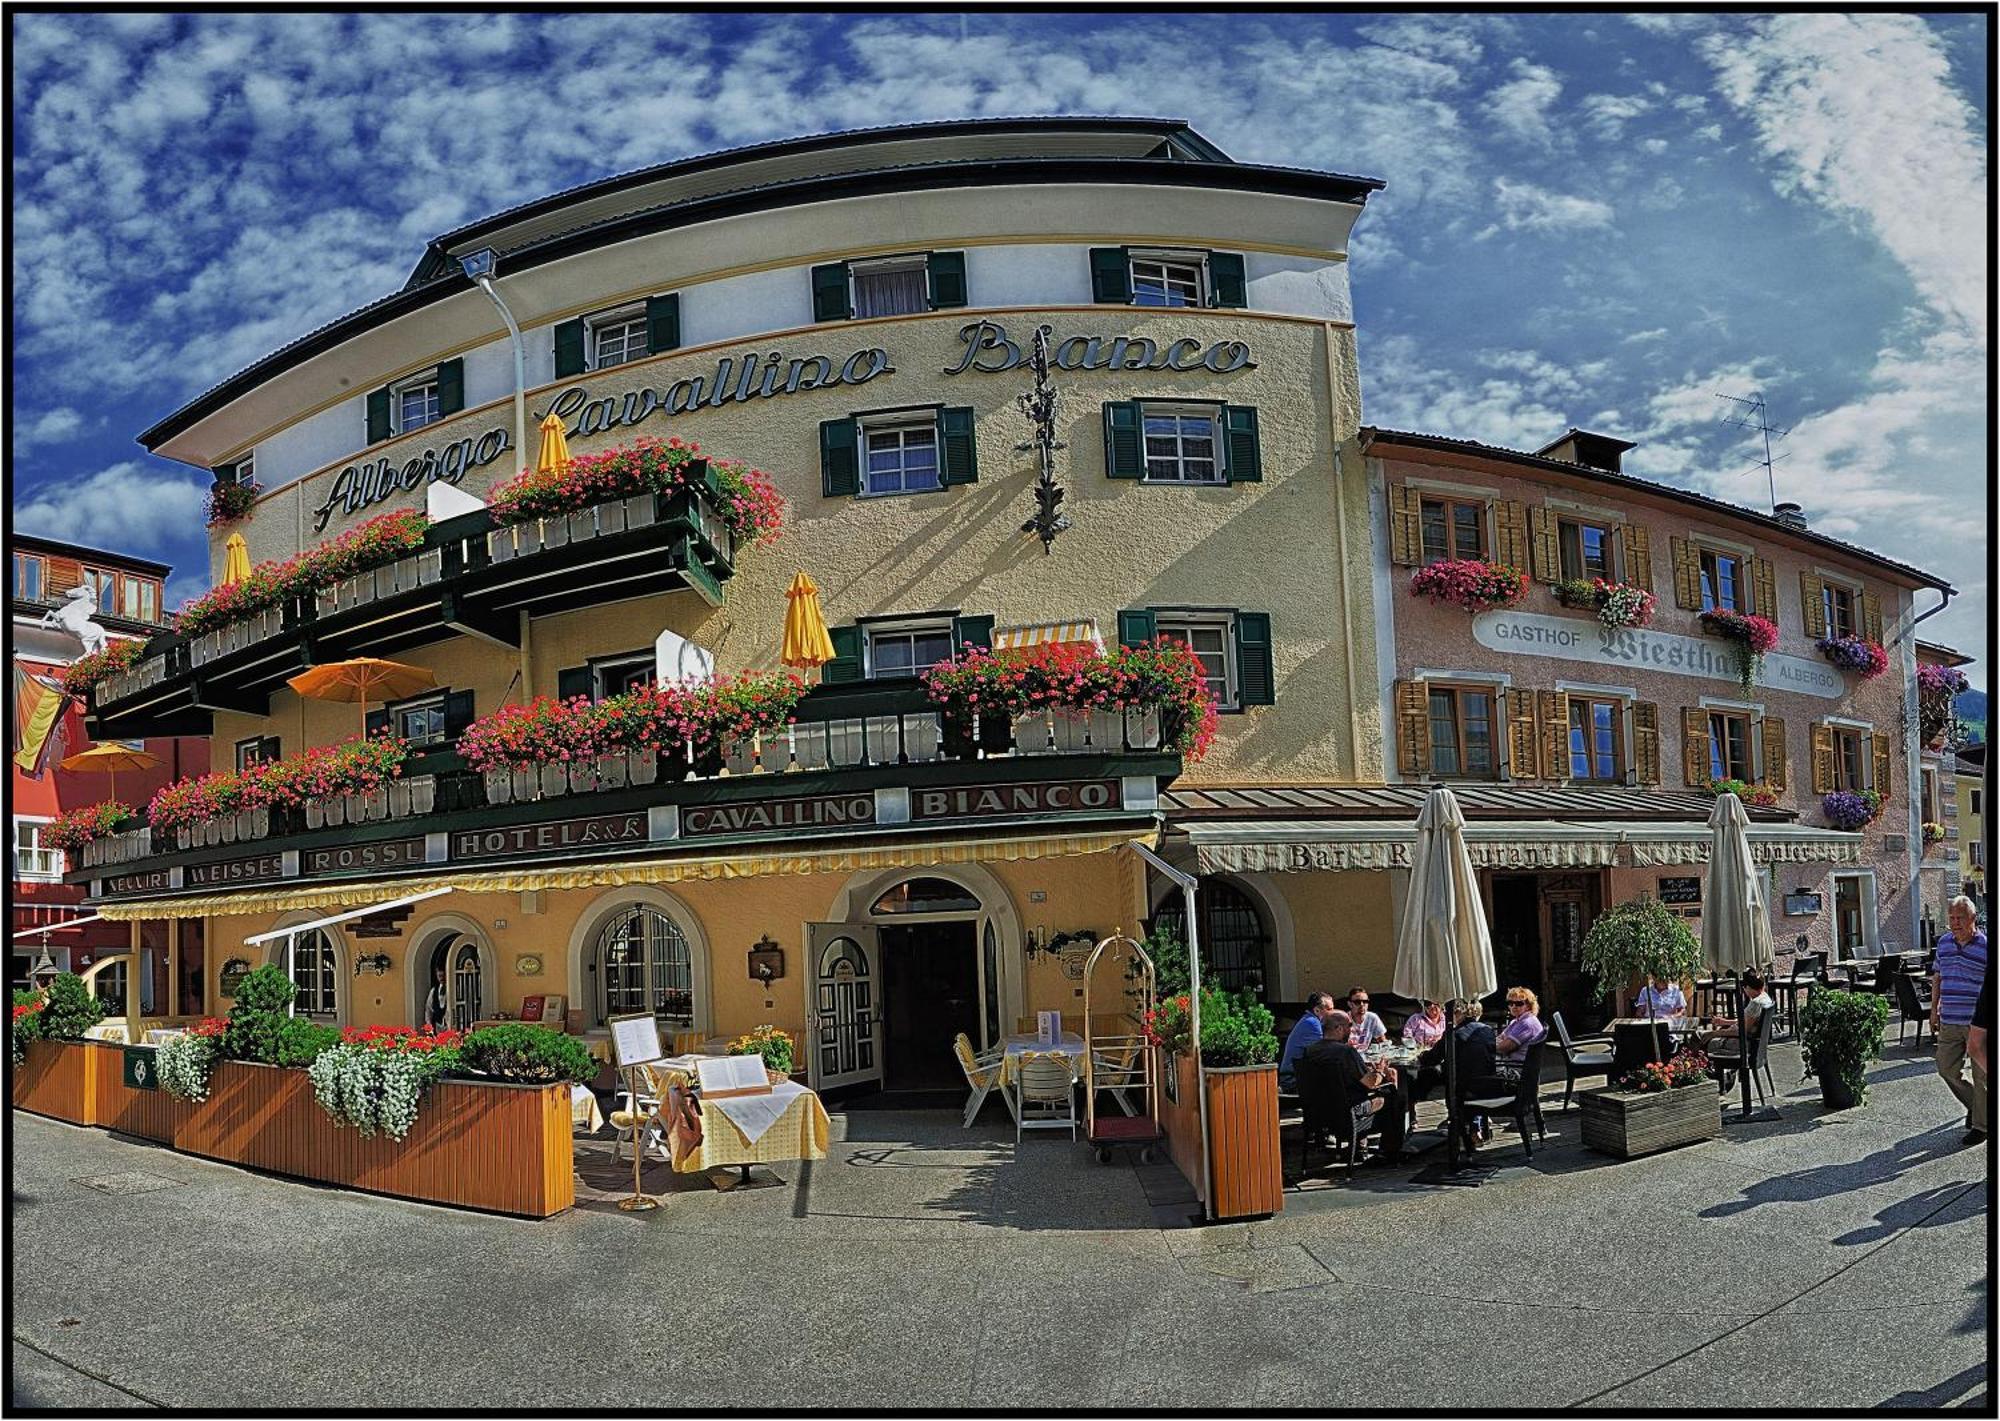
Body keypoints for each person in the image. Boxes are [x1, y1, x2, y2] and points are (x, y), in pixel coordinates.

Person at [1297, 1009, 1405, 1163]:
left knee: (1366, 1094)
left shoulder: (1310, 1051)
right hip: (1348, 1114)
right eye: (1349, 1025)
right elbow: (1371, 1083)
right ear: (1339, 1029)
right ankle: (1388, 1153)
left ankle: (1360, 1148)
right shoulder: (1346, 1052)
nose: (1352, 1029)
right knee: (1394, 1097)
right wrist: (1381, 1070)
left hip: (1318, 1114)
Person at [1932, 895, 1989, 1145]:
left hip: (1978, 1022)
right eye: (1952, 918)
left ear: (1973, 918)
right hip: (1950, 1019)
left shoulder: (1987, 946)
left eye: (1960, 918)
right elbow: (1937, 977)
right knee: (1946, 1069)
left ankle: (1981, 1126)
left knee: (1982, 1077)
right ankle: (1978, 1109)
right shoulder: (1943, 943)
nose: (1955, 923)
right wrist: (1933, 1009)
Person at [1700, 970, 1772, 1056]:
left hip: (1741, 1044)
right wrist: (1724, 1022)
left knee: (1699, 1037)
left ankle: (1693, 1065)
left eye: (1744, 988)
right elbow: (1746, 1022)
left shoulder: (1756, 1003)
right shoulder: (1765, 997)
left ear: (1748, 987)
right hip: (1752, 1042)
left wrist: (1715, 1033)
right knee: (1702, 1035)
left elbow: (1742, 1031)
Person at [1278, 991, 1337, 1091]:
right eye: (1330, 1009)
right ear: (1317, 1010)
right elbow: (1327, 1051)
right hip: (1292, 1080)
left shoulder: (1310, 1020)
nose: (1334, 1013)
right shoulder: (1312, 1024)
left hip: (1299, 1076)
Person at [1493, 987, 1547, 1079]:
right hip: (1512, 1066)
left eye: (1519, 1003)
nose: (1514, 1006)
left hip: (1515, 1073)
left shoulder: (1526, 1023)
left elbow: (1502, 1048)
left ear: (1529, 1005)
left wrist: (1493, 1044)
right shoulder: (1516, 1021)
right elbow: (1500, 1039)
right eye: (1510, 1003)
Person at [425, 965, 449, 1032]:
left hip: (450, 1024)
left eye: (443, 975)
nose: (442, 978)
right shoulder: (433, 991)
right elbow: (428, 1009)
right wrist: (429, 1025)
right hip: (437, 1025)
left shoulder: (454, 989)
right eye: (439, 976)